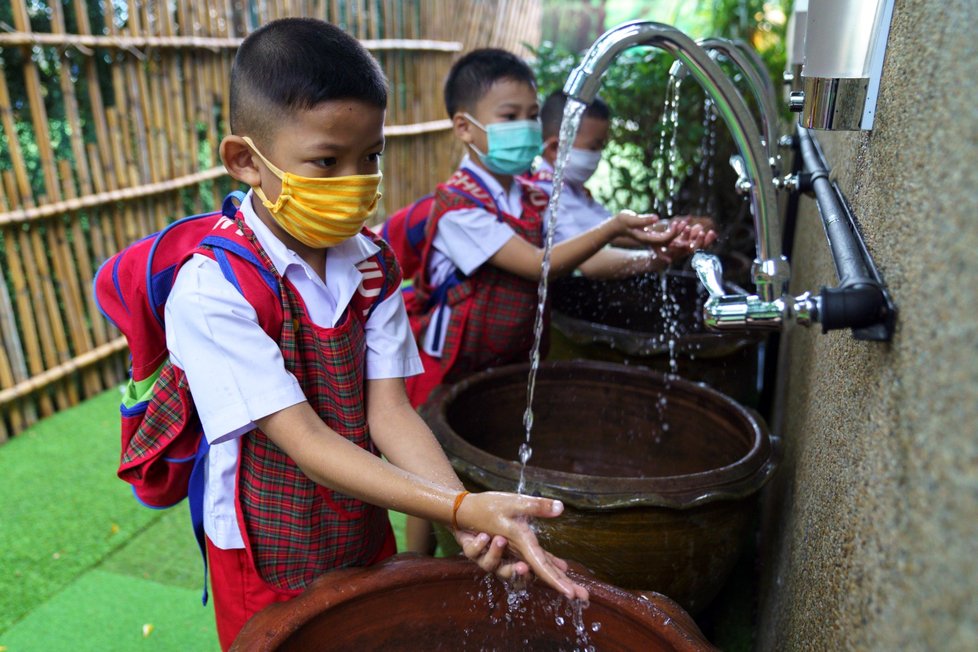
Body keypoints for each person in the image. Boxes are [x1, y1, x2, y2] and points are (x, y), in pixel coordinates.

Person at [163, 19, 587, 650]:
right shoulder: (213, 291)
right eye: (326, 161)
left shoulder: (371, 262)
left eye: (369, 157)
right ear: (246, 160)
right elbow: (305, 440)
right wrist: (459, 508)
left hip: (360, 517)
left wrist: (465, 515)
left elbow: (388, 410)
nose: (355, 183)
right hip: (265, 546)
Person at [402, 48, 703, 554]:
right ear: (466, 128)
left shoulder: (532, 194)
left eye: (529, 114)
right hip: (446, 359)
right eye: (509, 117)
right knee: (433, 467)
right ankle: (416, 560)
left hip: (504, 351)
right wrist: (612, 228)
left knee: (486, 450)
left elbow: (587, 261)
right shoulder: (457, 208)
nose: (524, 128)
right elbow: (538, 262)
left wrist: (656, 256)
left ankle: (483, 549)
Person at [529, 90, 717, 278]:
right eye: (593, 147)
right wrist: (655, 258)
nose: (598, 155)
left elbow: (619, 232)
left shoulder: (572, 191)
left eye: (601, 147)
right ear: (555, 148)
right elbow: (592, 263)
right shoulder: (546, 195)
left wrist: (676, 228)